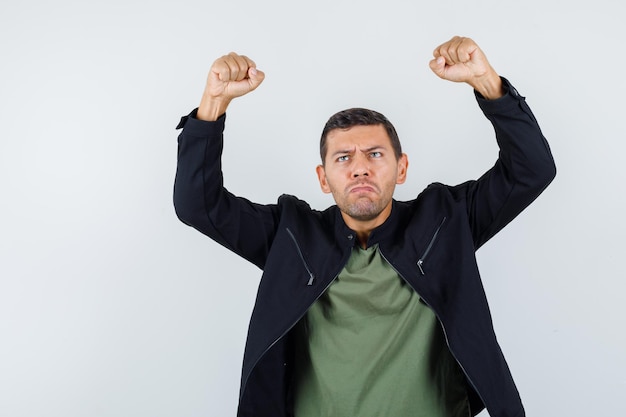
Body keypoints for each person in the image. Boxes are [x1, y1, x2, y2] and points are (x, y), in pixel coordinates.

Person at [173, 36, 556, 417]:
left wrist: (487, 83)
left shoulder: (447, 220)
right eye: (343, 157)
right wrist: (213, 106)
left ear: (401, 167)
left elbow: (531, 170)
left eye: (375, 154)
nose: (360, 167)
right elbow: (198, 205)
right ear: (324, 179)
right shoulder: (291, 235)